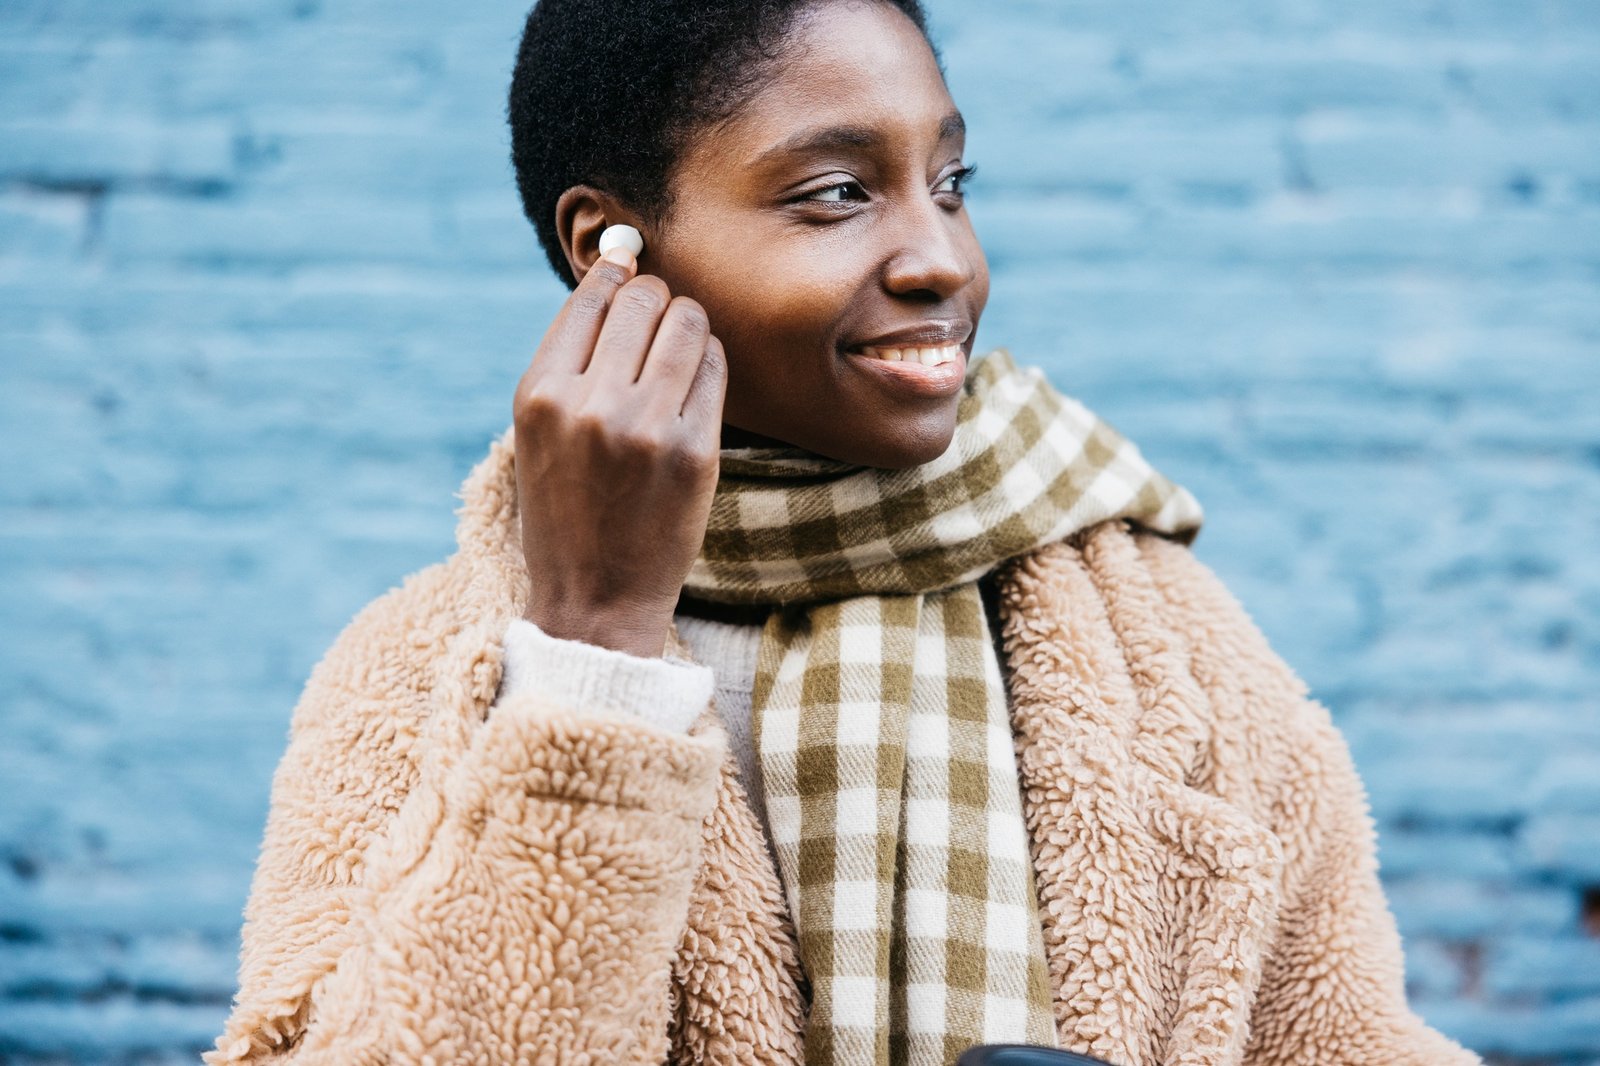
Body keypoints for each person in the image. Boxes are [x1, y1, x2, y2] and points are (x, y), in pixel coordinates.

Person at [206, 1, 1484, 1064]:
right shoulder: (430, 667)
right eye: (833, 194)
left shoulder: (1163, 641)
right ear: (613, 249)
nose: (941, 258)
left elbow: (1349, 1033)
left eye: (950, 182)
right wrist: (592, 651)